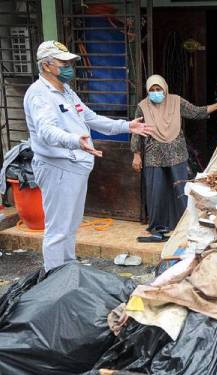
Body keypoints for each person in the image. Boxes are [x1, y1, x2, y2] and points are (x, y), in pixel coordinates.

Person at [24, 41, 153, 272]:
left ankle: (69, 270)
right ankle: (54, 279)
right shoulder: (39, 95)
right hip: (58, 168)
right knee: (58, 229)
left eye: (70, 63)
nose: (69, 67)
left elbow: (91, 118)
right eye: (63, 63)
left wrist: (127, 126)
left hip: (74, 167)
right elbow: (46, 131)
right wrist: (75, 141)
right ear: (46, 65)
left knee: (71, 226)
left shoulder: (67, 91)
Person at [131, 75, 217, 240]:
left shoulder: (176, 101)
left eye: (158, 89)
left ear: (165, 88)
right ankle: (157, 227)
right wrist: (136, 155)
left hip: (177, 153)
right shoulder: (143, 106)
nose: (155, 93)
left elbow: (196, 112)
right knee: (156, 191)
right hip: (154, 154)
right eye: (152, 90)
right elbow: (136, 131)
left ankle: (182, 225)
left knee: (180, 190)